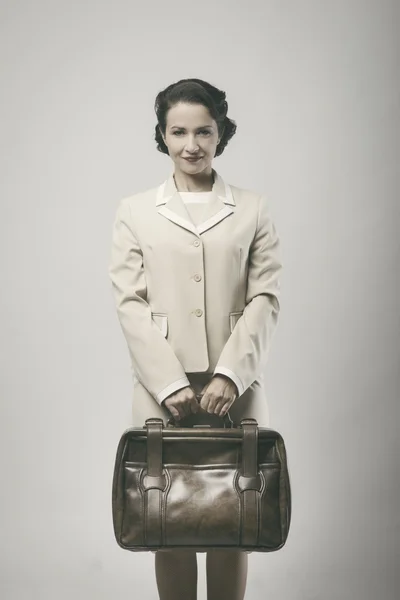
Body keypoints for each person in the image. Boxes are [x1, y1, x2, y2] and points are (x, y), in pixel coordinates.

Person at [108, 78, 282, 600]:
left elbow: (265, 297)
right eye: (178, 131)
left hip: (238, 389)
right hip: (162, 396)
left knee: (235, 523)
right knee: (169, 523)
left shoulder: (252, 208)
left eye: (203, 131)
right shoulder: (134, 211)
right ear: (162, 136)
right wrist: (167, 382)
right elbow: (129, 303)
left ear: (221, 133)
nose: (191, 145)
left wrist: (230, 373)